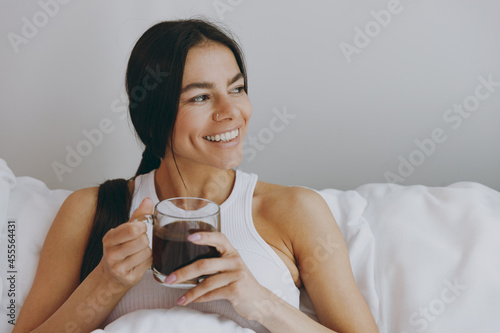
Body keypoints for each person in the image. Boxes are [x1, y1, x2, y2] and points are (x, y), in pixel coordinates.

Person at [13, 19, 378, 333]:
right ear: (155, 115)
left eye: (237, 89)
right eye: (201, 98)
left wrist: (260, 302)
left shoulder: (296, 210)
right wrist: (107, 283)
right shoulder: (92, 211)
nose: (231, 111)